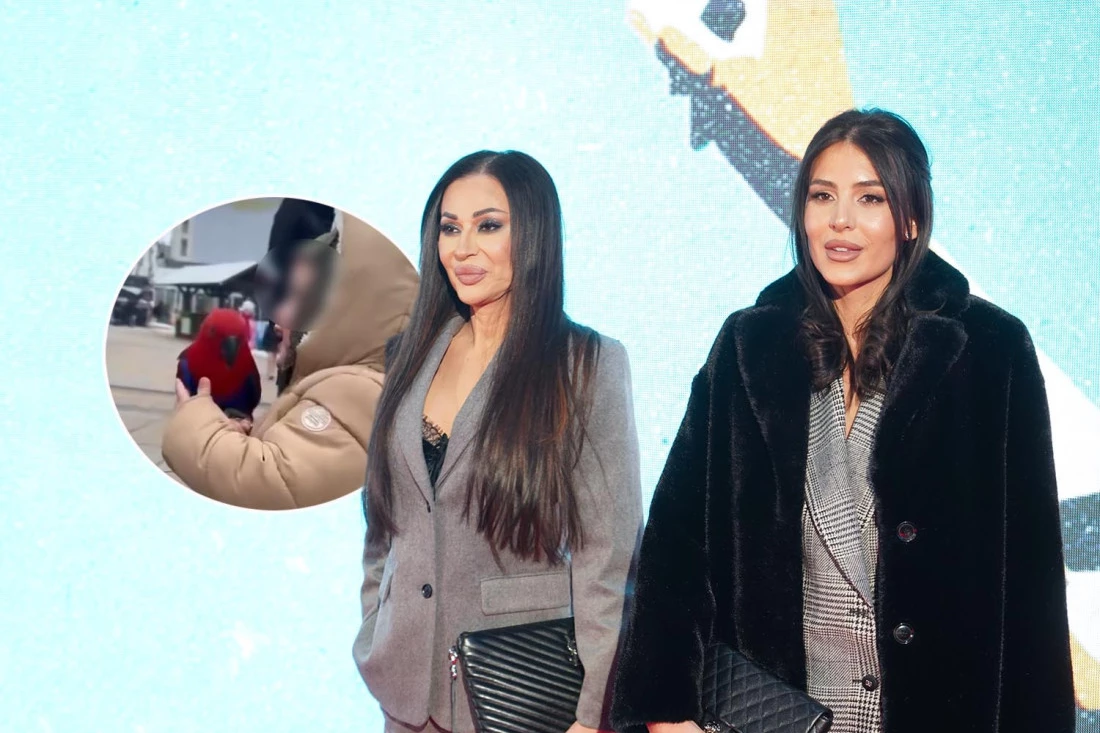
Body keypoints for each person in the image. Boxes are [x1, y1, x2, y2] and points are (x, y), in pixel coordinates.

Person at [610, 109, 1075, 733]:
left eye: (870, 198)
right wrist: (667, 711)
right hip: (773, 714)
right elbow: (676, 541)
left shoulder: (988, 349)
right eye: (822, 196)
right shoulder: (750, 345)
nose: (840, 221)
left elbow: (1032, 580)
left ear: (910, 220)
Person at [352, 150, 643, 733]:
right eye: (450, 229)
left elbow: (608, 556)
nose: (463, 249)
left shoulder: (585, 364)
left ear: (533, 234)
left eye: (488, 226)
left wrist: (593, 714)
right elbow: (385, 520)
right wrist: (373, 630)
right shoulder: (406, 357)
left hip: (520, 693)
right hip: (406, 694)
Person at [161, 214, 418, 510]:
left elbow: (273, 483)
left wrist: (194, 424)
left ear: (344, 315)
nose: (277, 318)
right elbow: (298, 464)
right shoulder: (333, 386)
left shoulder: (360, 391)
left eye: (297, 297)